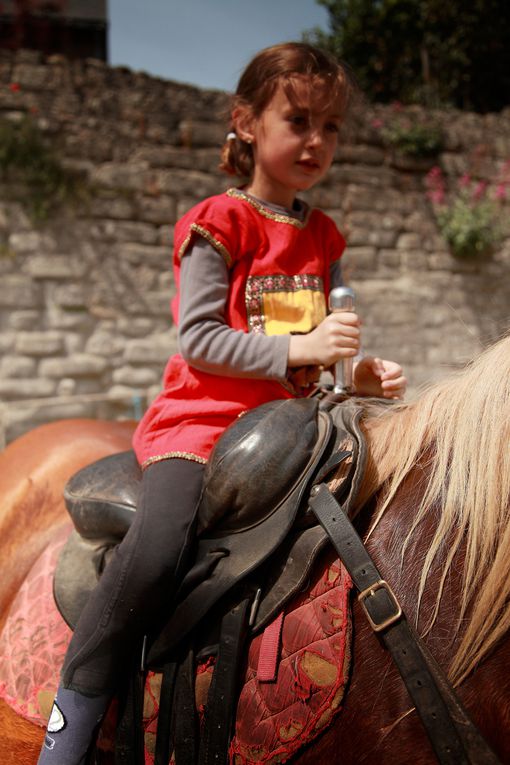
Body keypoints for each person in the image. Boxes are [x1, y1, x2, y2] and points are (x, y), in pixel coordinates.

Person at [38, 41, 406, 764]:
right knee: (157, 547)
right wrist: (302, 350)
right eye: (297, 120)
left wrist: (353, 374)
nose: (316, 141)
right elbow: (201, 337)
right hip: (200, 424)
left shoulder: (323, 234)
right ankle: (71, 721)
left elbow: (313, 359)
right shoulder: (219, 221)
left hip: (294, 426)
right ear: (245, 121)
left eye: (330, 127)